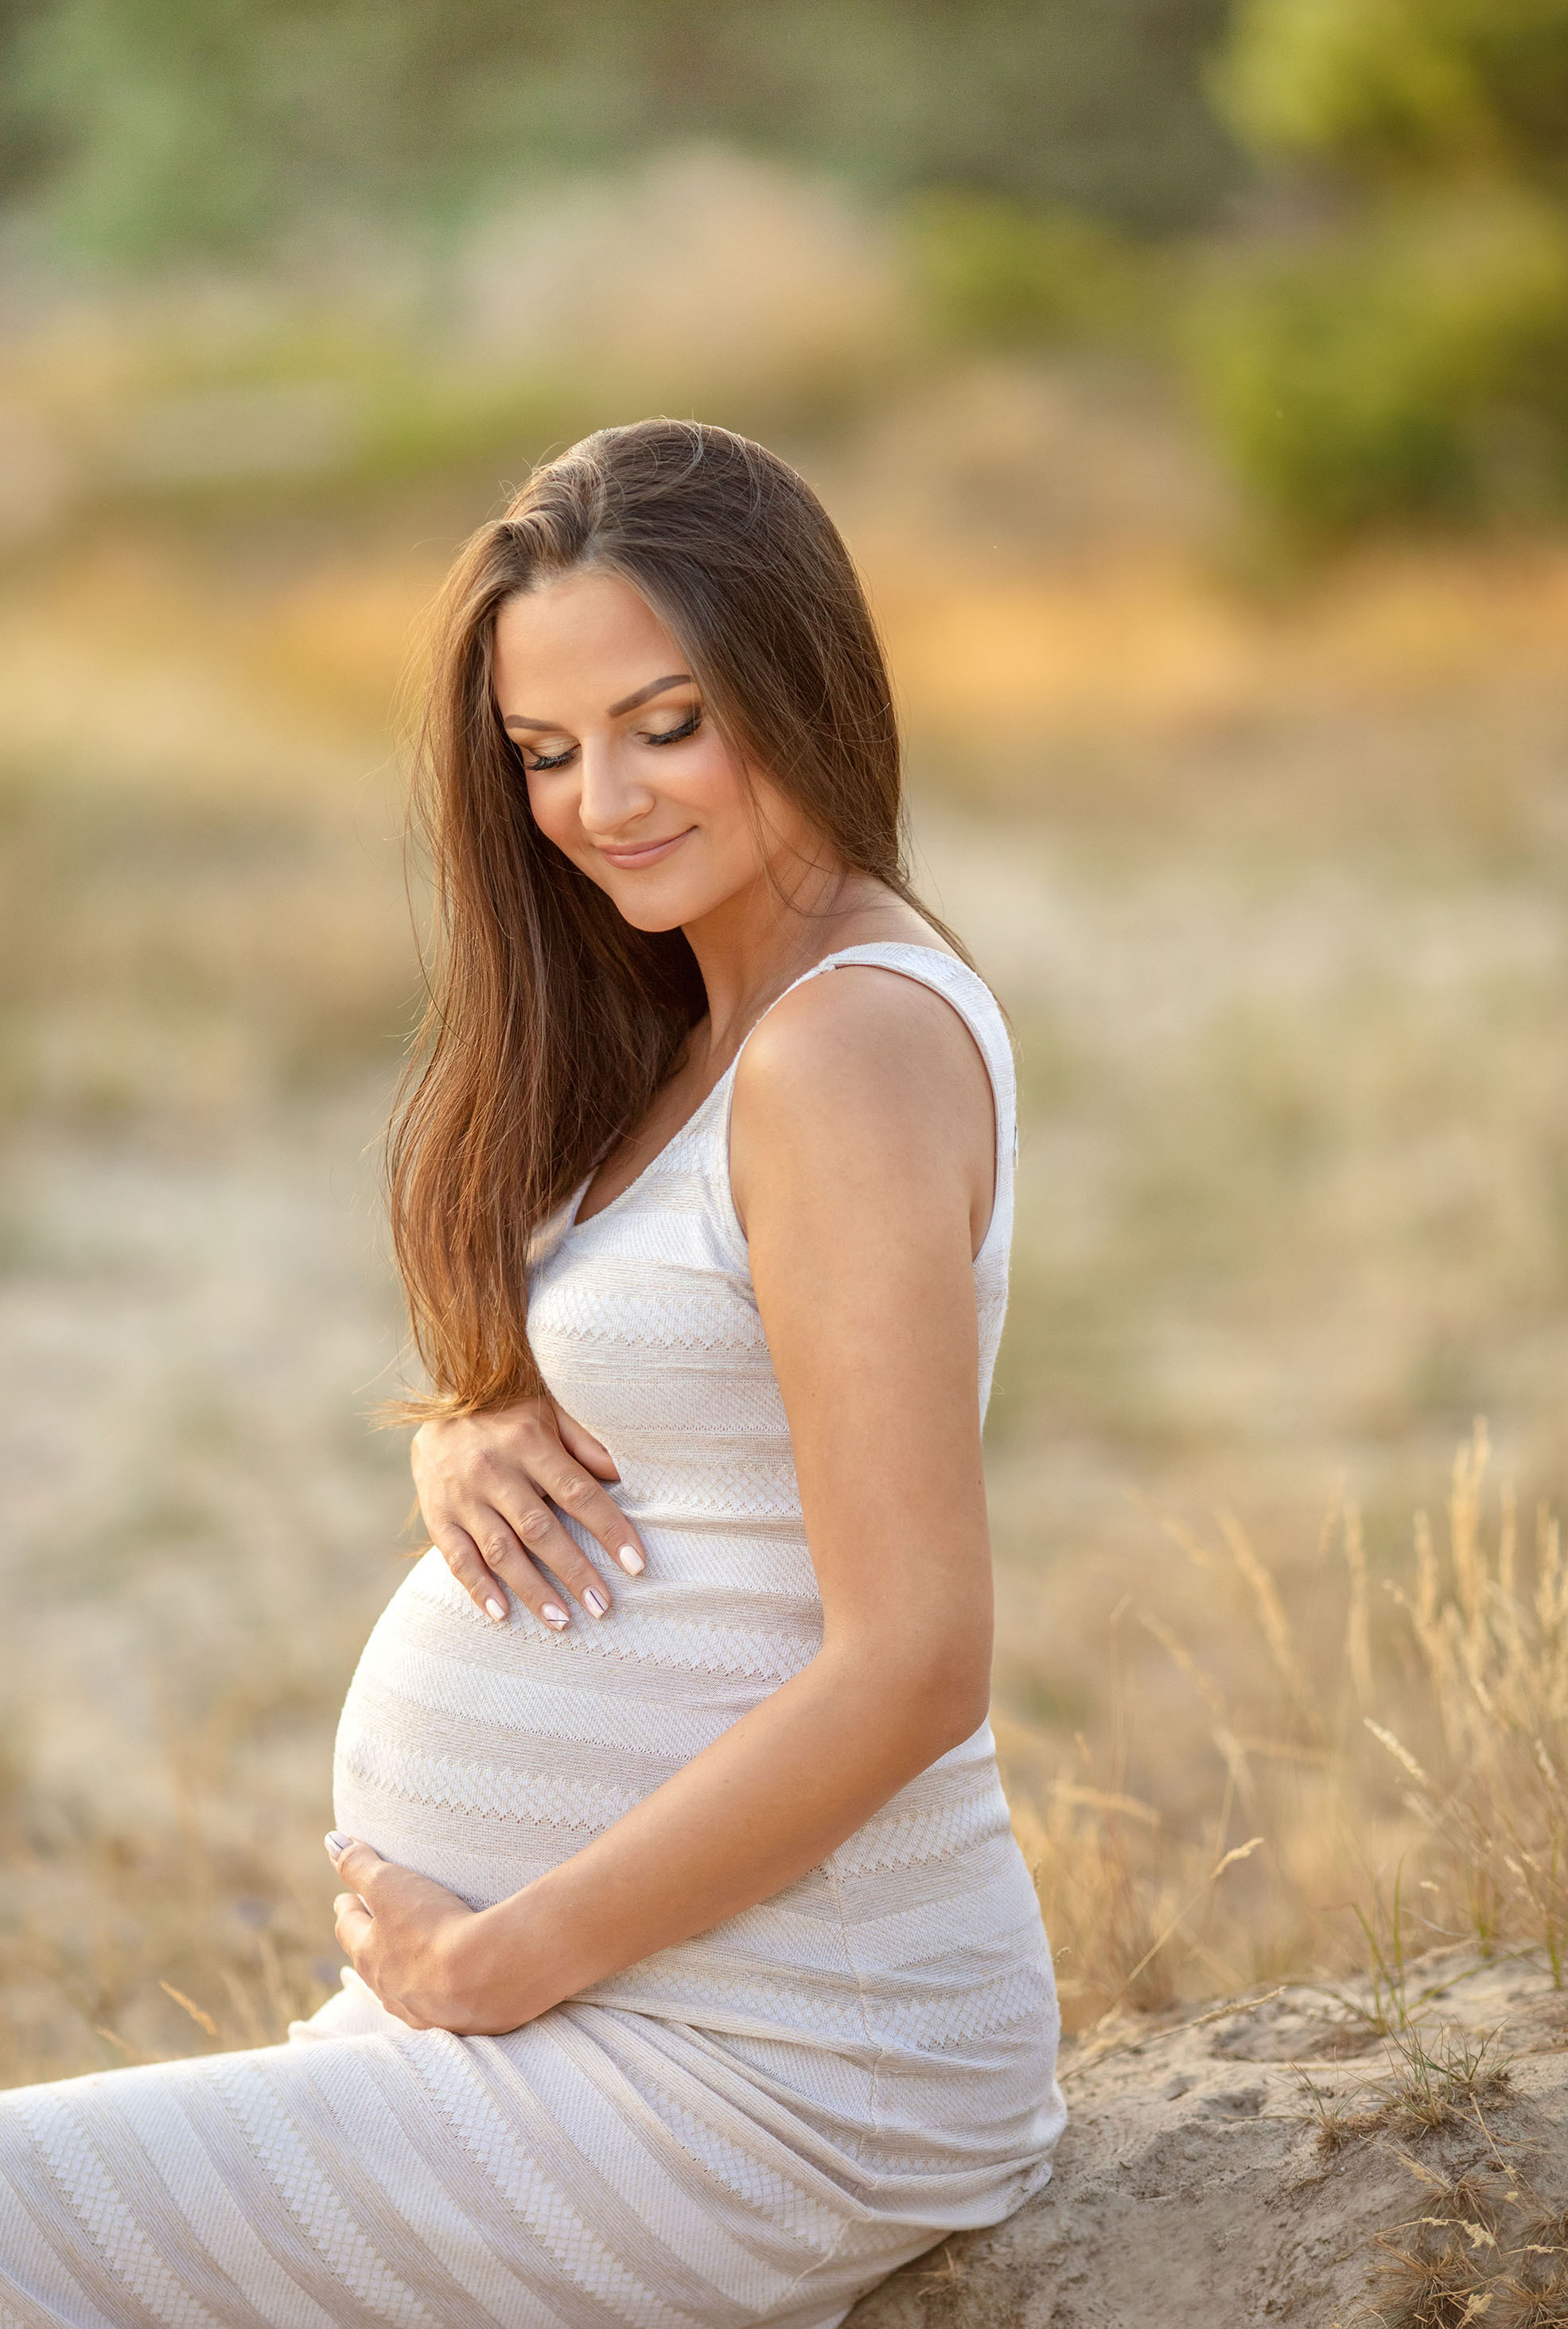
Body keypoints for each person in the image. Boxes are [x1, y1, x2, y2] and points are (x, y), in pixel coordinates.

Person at [0, 419, 1064, 2328]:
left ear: (800, 679)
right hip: (615, 2017)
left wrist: (513, 1954)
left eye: (666, 723)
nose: (603, 803)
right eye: (545, 752)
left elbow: (915, 1657)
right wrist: (480, 1416)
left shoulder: (844, 1051)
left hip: (783, 2063)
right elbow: (679, 1380)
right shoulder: (699, 1013)